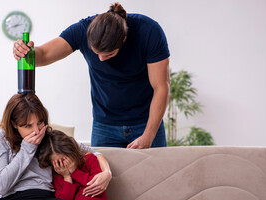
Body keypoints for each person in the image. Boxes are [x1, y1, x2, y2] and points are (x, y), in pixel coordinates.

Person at [13, 2, 170, 149]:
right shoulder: (82, 29)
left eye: (108, 54)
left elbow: (161, 87)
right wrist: (27, 52)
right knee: (101, 176)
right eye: (97, 54)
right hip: (104, 125)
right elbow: (45, 54)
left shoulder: (149, 31)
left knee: (155, 175)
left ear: (123, 39)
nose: (101, 59)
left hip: (146, 122)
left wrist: (149, 135)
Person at [0, 93, 112, 200]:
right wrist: (27, 148)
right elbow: (2, 185)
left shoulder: (46, 135)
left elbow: (92, 152)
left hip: (46, 197)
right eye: (28, 126)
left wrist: (107, 172)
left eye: (40, 123)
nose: (36, 131)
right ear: (14, 124)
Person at [38, 130, 128, 200]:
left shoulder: (89, 159)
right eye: (58, 163)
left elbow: (95, 183)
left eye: (65, 159)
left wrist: (75, 172)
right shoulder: (58, 176)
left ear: (72, 151)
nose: (64, 165)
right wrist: (67, 177)